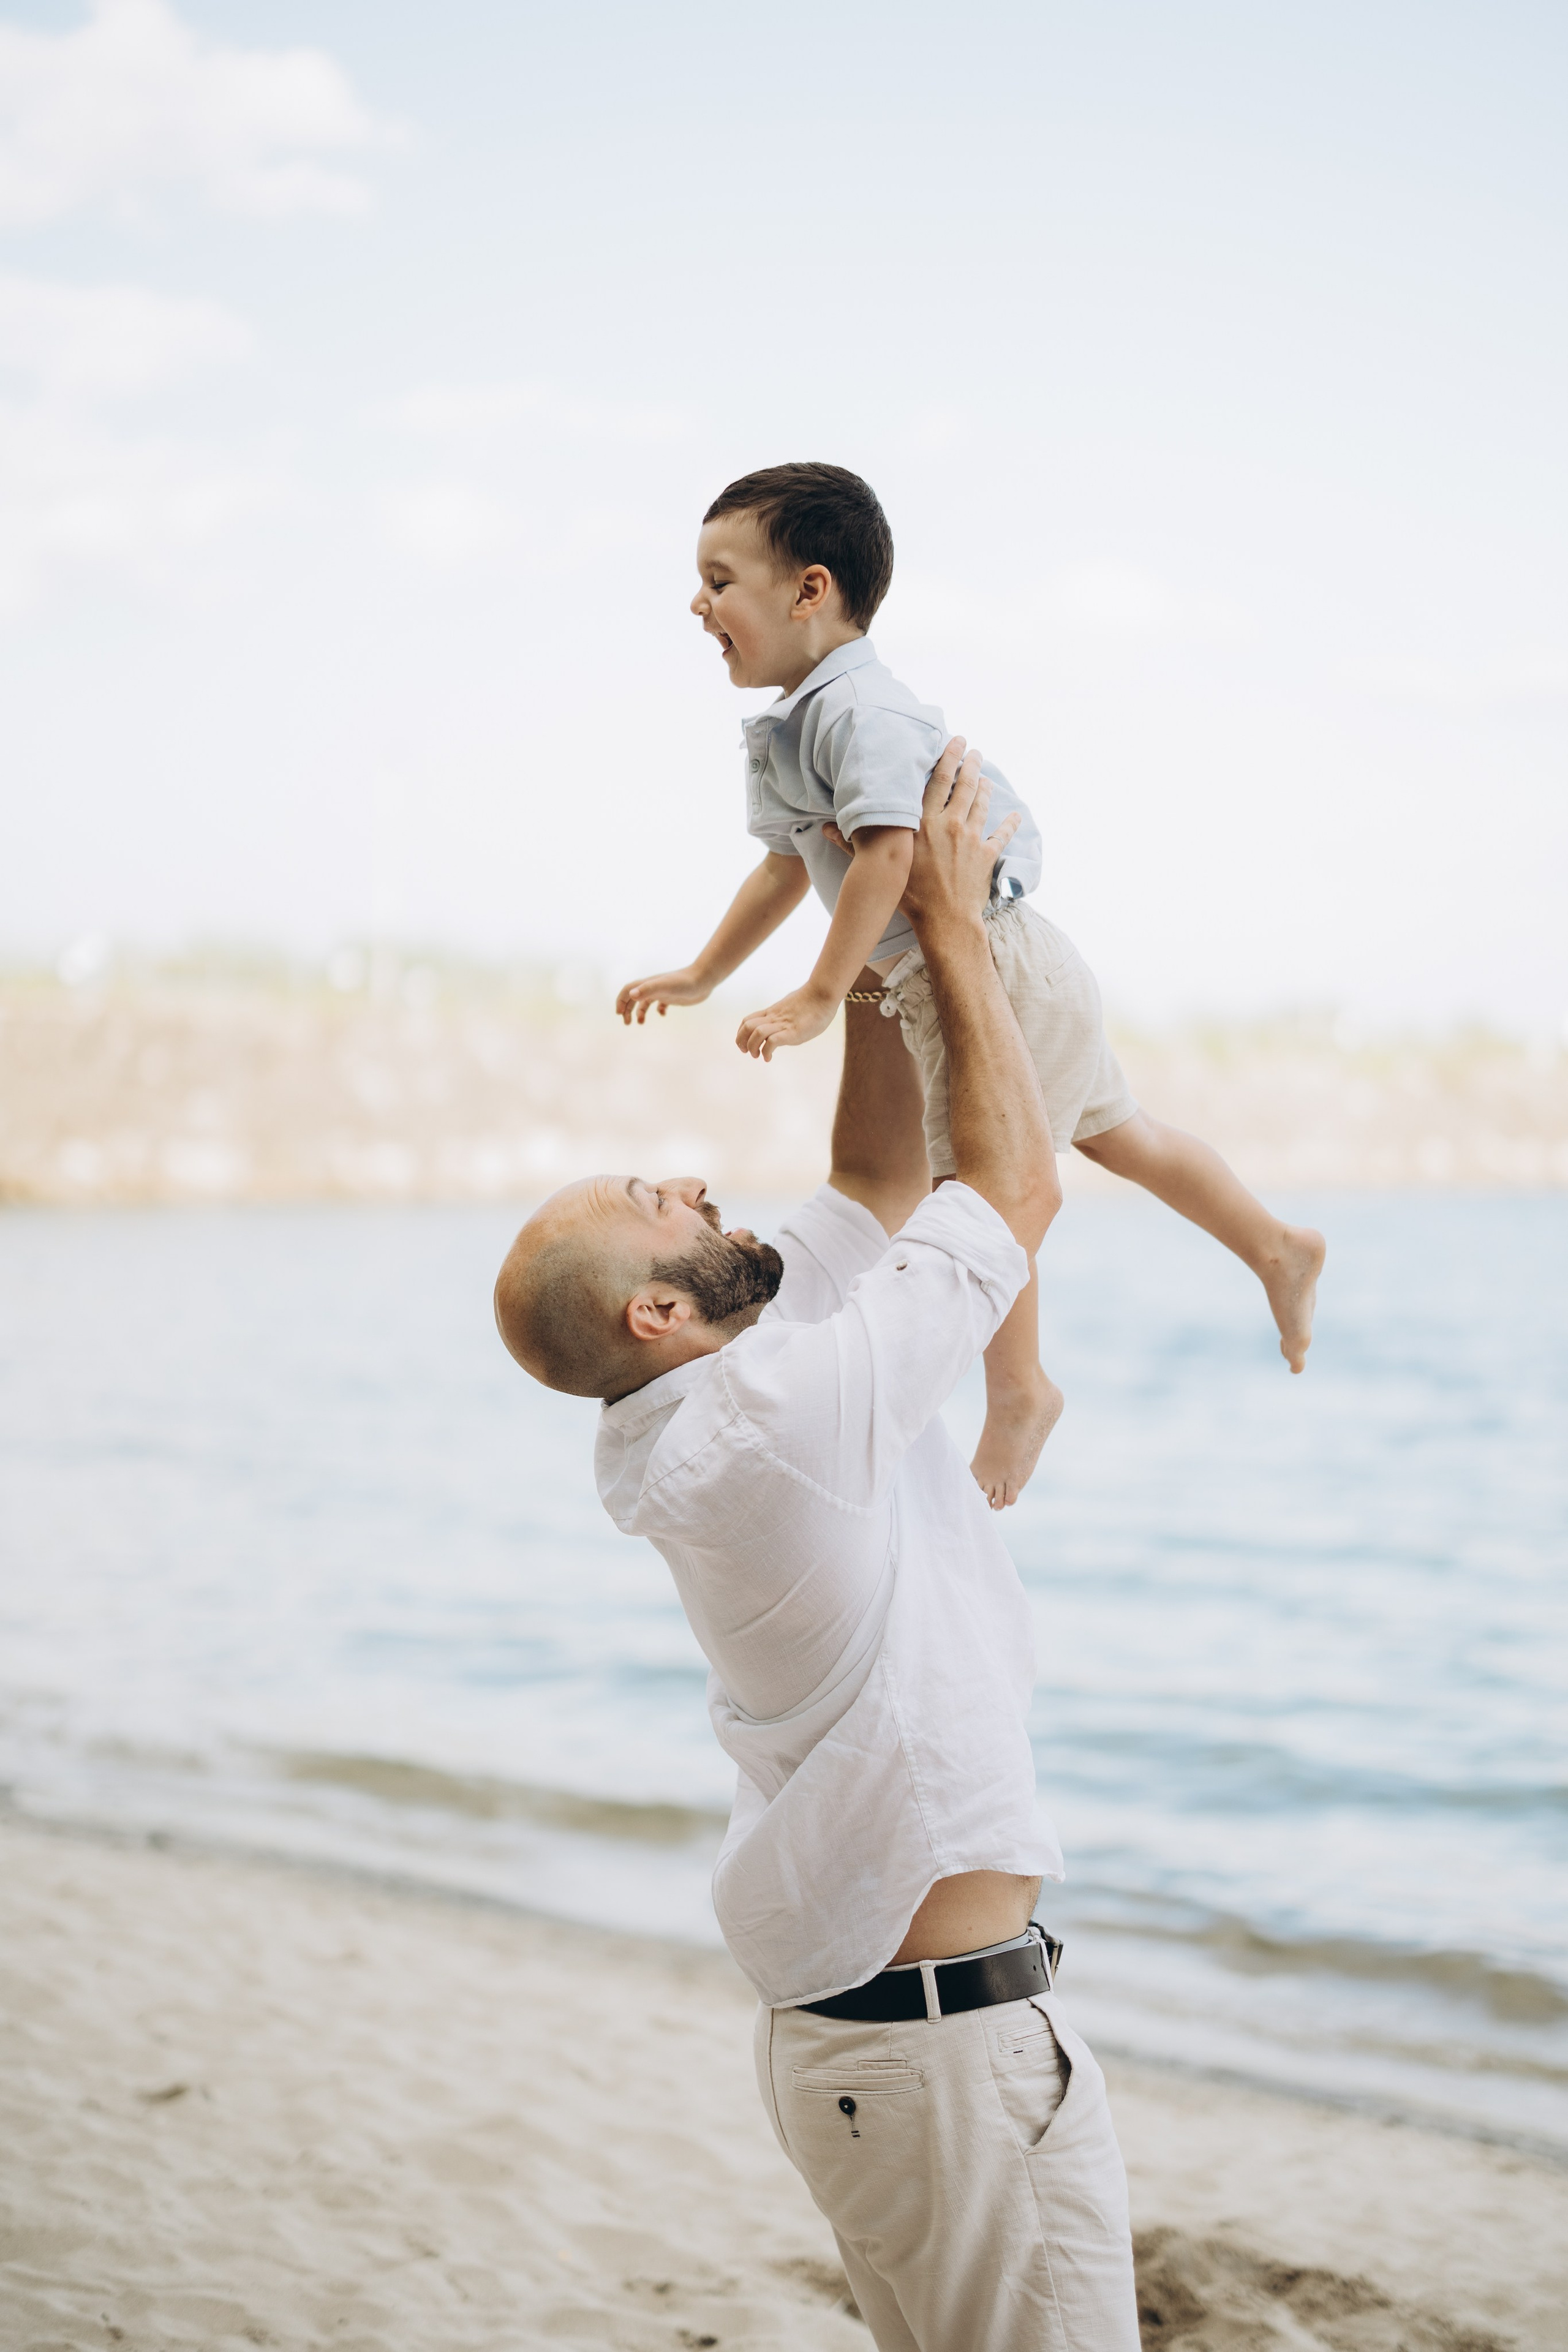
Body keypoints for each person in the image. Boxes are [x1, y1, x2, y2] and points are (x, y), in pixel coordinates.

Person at [497, 744, 1140, 2351]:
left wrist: (873, 928)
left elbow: (871, 1178)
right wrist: (954, 926)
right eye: (664, 1200)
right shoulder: (765, 1417)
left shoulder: (715, 1401)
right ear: (660, 1310)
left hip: (923, 2041)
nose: (700, 1179)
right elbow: (1004, 1187)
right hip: (932, 2054)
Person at [616, 461, 1325, 1510]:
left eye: (720, 580)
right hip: (991, 967)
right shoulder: (790, 729)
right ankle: (1273, 1242)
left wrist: (822, 993)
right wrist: (705, 971)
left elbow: (888, 857)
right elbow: (784, 868)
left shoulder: (862, 712)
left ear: (810, 589)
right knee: (1118, 1135)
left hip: (990, 967)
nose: (698, 604)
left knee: (981, 1193)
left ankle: (1021, 1388)